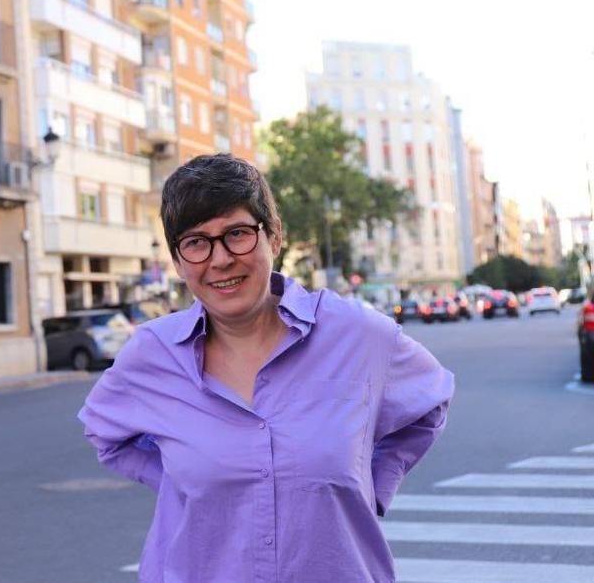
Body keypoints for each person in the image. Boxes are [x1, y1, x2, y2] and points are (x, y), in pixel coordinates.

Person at [79, 153, 454, 583]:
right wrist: (182, 484)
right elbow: (106, 436)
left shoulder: (359, 335)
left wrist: (372, 484)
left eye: (237, 234)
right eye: (196, 242)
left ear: (274, 237)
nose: (219, 259)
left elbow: (430, 403)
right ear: (179, 261)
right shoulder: (151, 355)